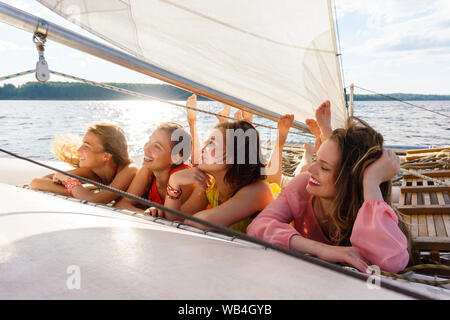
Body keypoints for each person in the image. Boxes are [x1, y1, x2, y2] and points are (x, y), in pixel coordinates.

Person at [247, 102, 410, 274]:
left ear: (351, 181)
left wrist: (370, 181)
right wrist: (323, 250)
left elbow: (391, 262)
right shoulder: (302, 186)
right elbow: (257, 227)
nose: (310, 170)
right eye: (317, 160)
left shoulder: (368, 207)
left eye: (324, 168)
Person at [159, 95, 274, 232]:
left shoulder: (257, 190)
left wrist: (186, 220)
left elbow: (203, 222)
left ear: (235, 154)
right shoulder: (211, 185)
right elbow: (175, 220)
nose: (203, 148)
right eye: (206, 141)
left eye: (212, 142)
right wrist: (174, 181)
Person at [29, 122, 138, 204]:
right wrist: (80, 192)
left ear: (106, 156)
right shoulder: (92, 171)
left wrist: (69, 181)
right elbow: (37, 182)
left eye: (86, 146)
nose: (78, 149)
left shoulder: (130, 170)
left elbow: (96, 200)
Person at [115, 121, 194, 215]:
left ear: (176, 157)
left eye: (157, 146)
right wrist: (147, 214)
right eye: (149, 141)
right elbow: (121, 204)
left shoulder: (185, 181)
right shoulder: (148, 171)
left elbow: (179, 220)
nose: (146, 149)